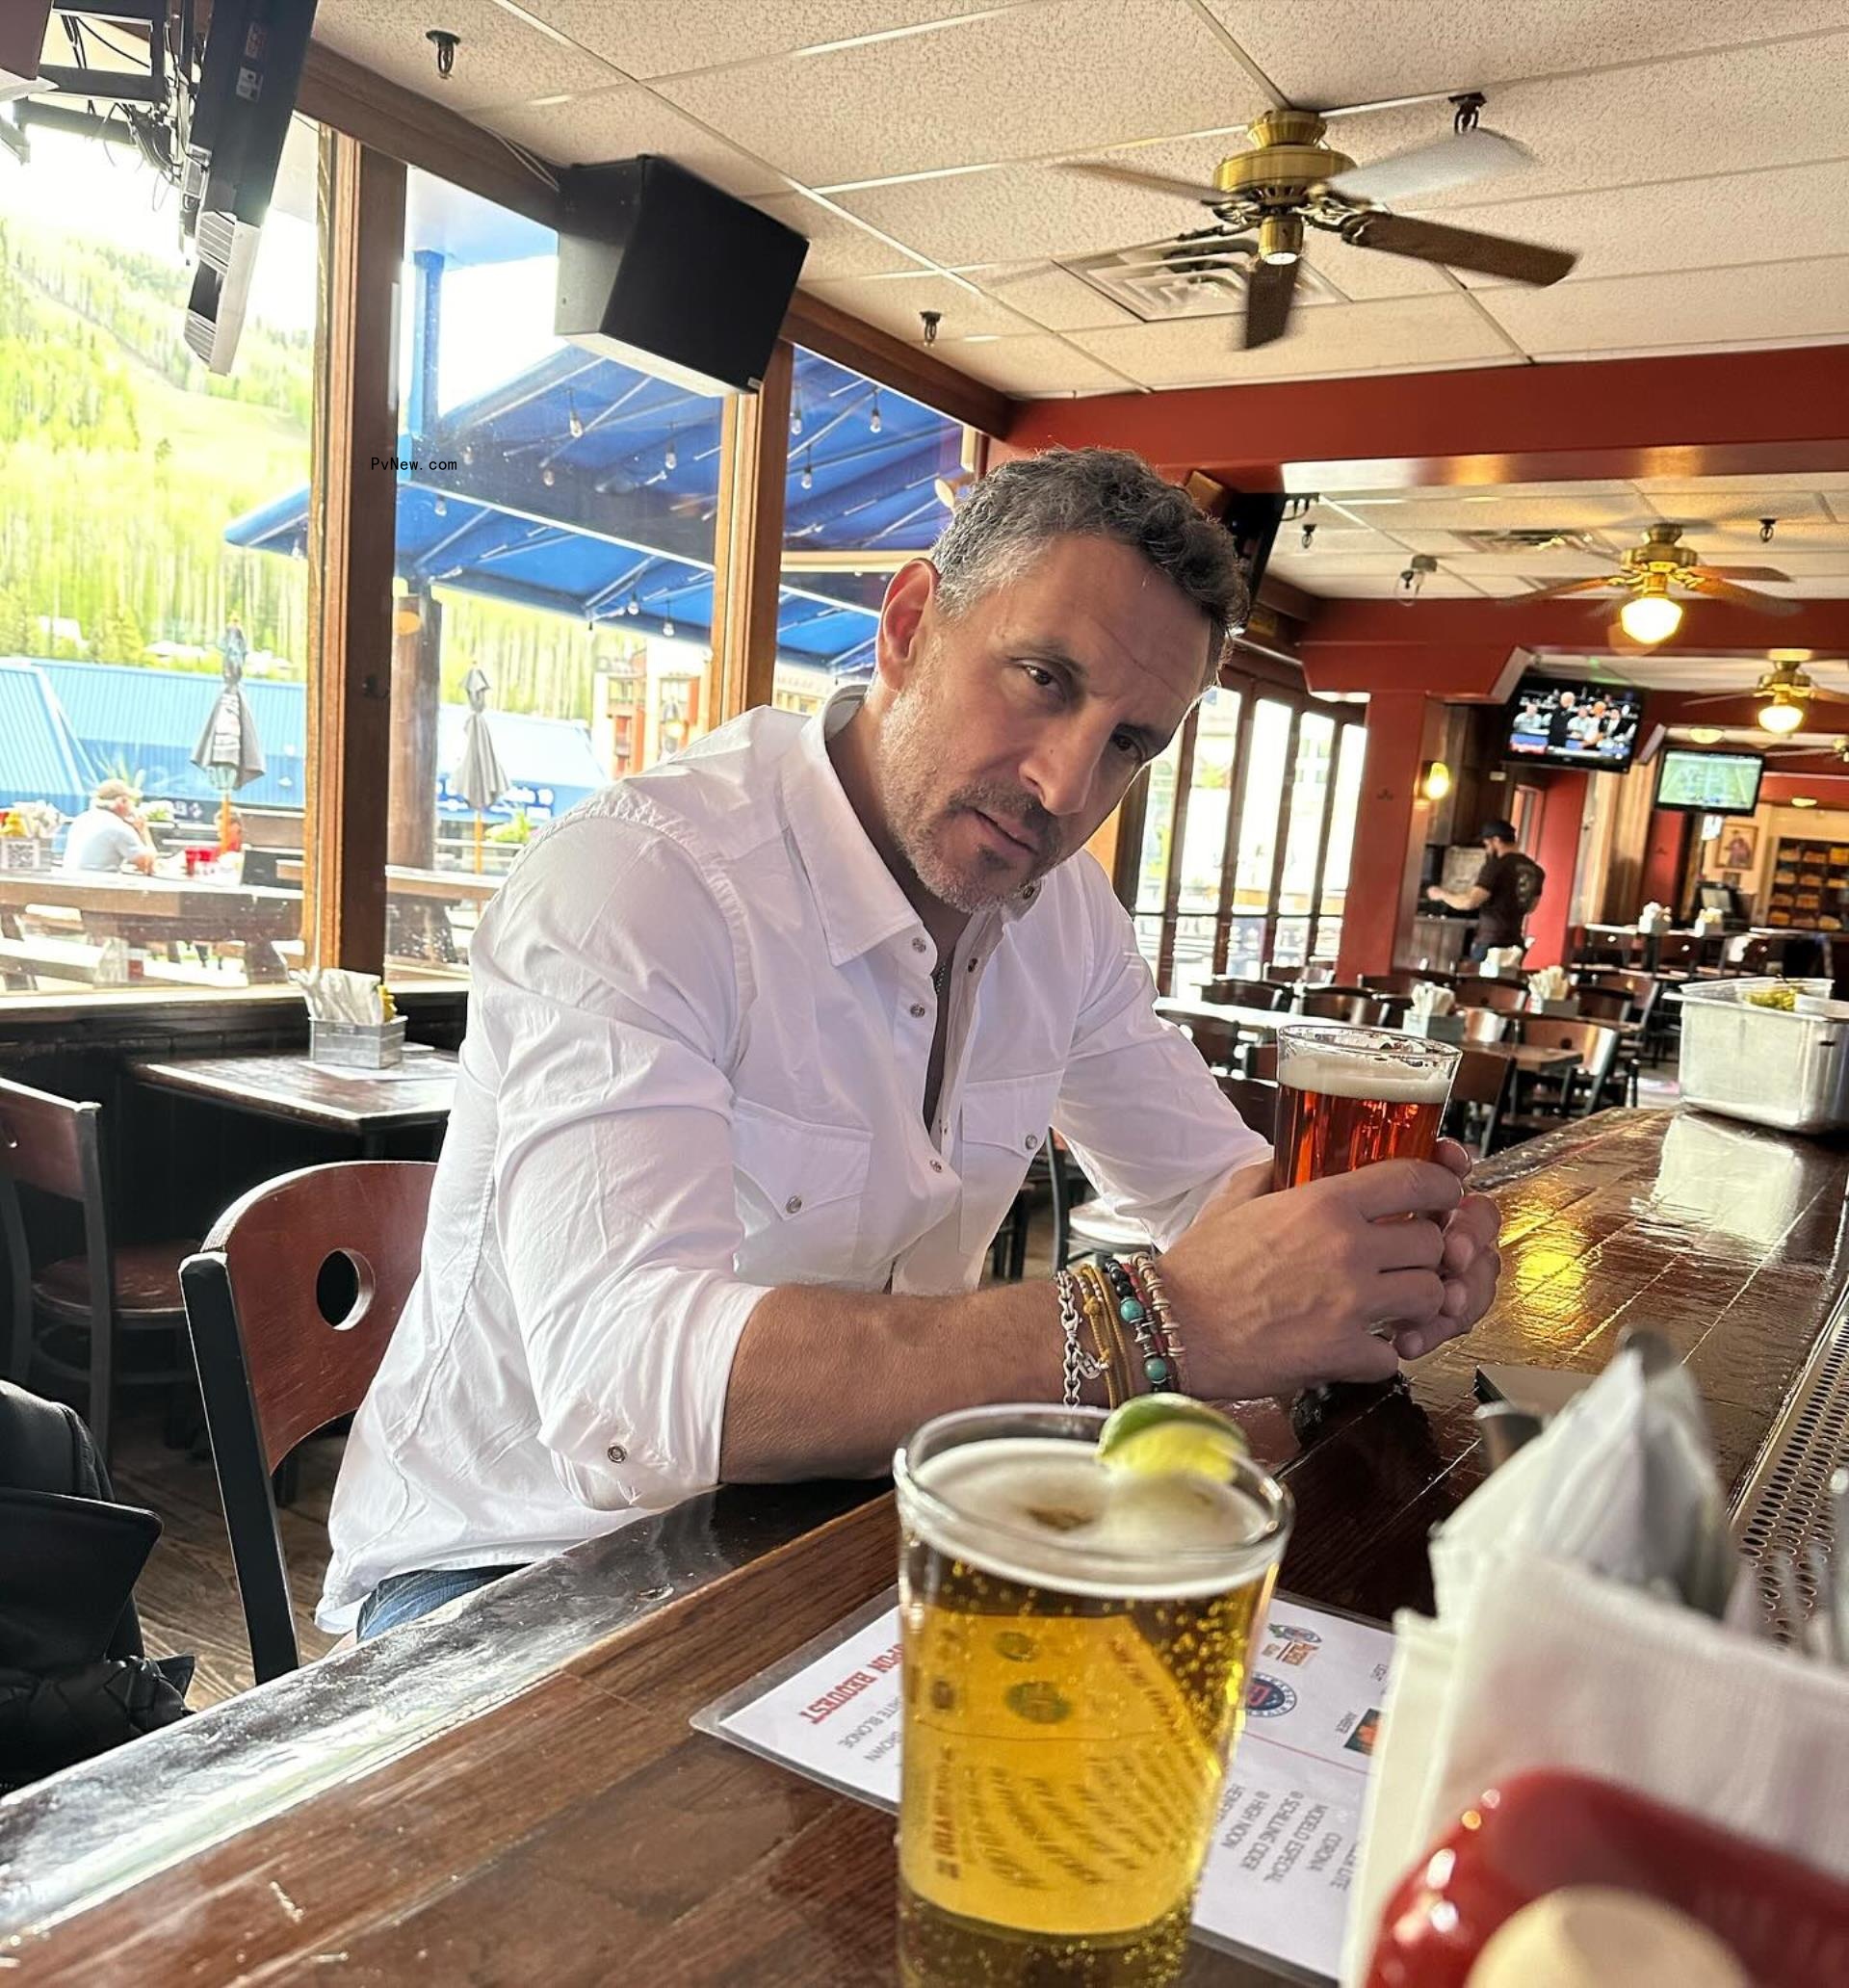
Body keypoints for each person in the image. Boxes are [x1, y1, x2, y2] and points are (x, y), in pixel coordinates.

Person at [320, 449, 1503, 1641]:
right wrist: (1163, 1321)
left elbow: (1207, 1189)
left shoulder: (1065, 915)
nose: (1065, 783)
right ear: (909, 625)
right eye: (1042, 679)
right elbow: (625, 1388)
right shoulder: (641, 880)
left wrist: (1367, 1248)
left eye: (1131, 743)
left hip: (840, 1523)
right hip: (506, 1574)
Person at [1426, 819, 1544, 962]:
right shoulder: (1536, 870)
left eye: (1487, 844)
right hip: (1515, 945)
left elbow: (1469, 902)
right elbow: (1531, 907)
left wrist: (1441, 894)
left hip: (1490, 943)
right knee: (1505, 983)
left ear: (1496, 840)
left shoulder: (1496, 867)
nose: (1486, 849)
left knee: (1477, 984)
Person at [60, 779, 155, 876]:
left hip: (71, 882)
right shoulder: (118, 827)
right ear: (122, 801)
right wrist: (143, 831)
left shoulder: (81, 819)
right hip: (100, 886)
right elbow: (148, 866)